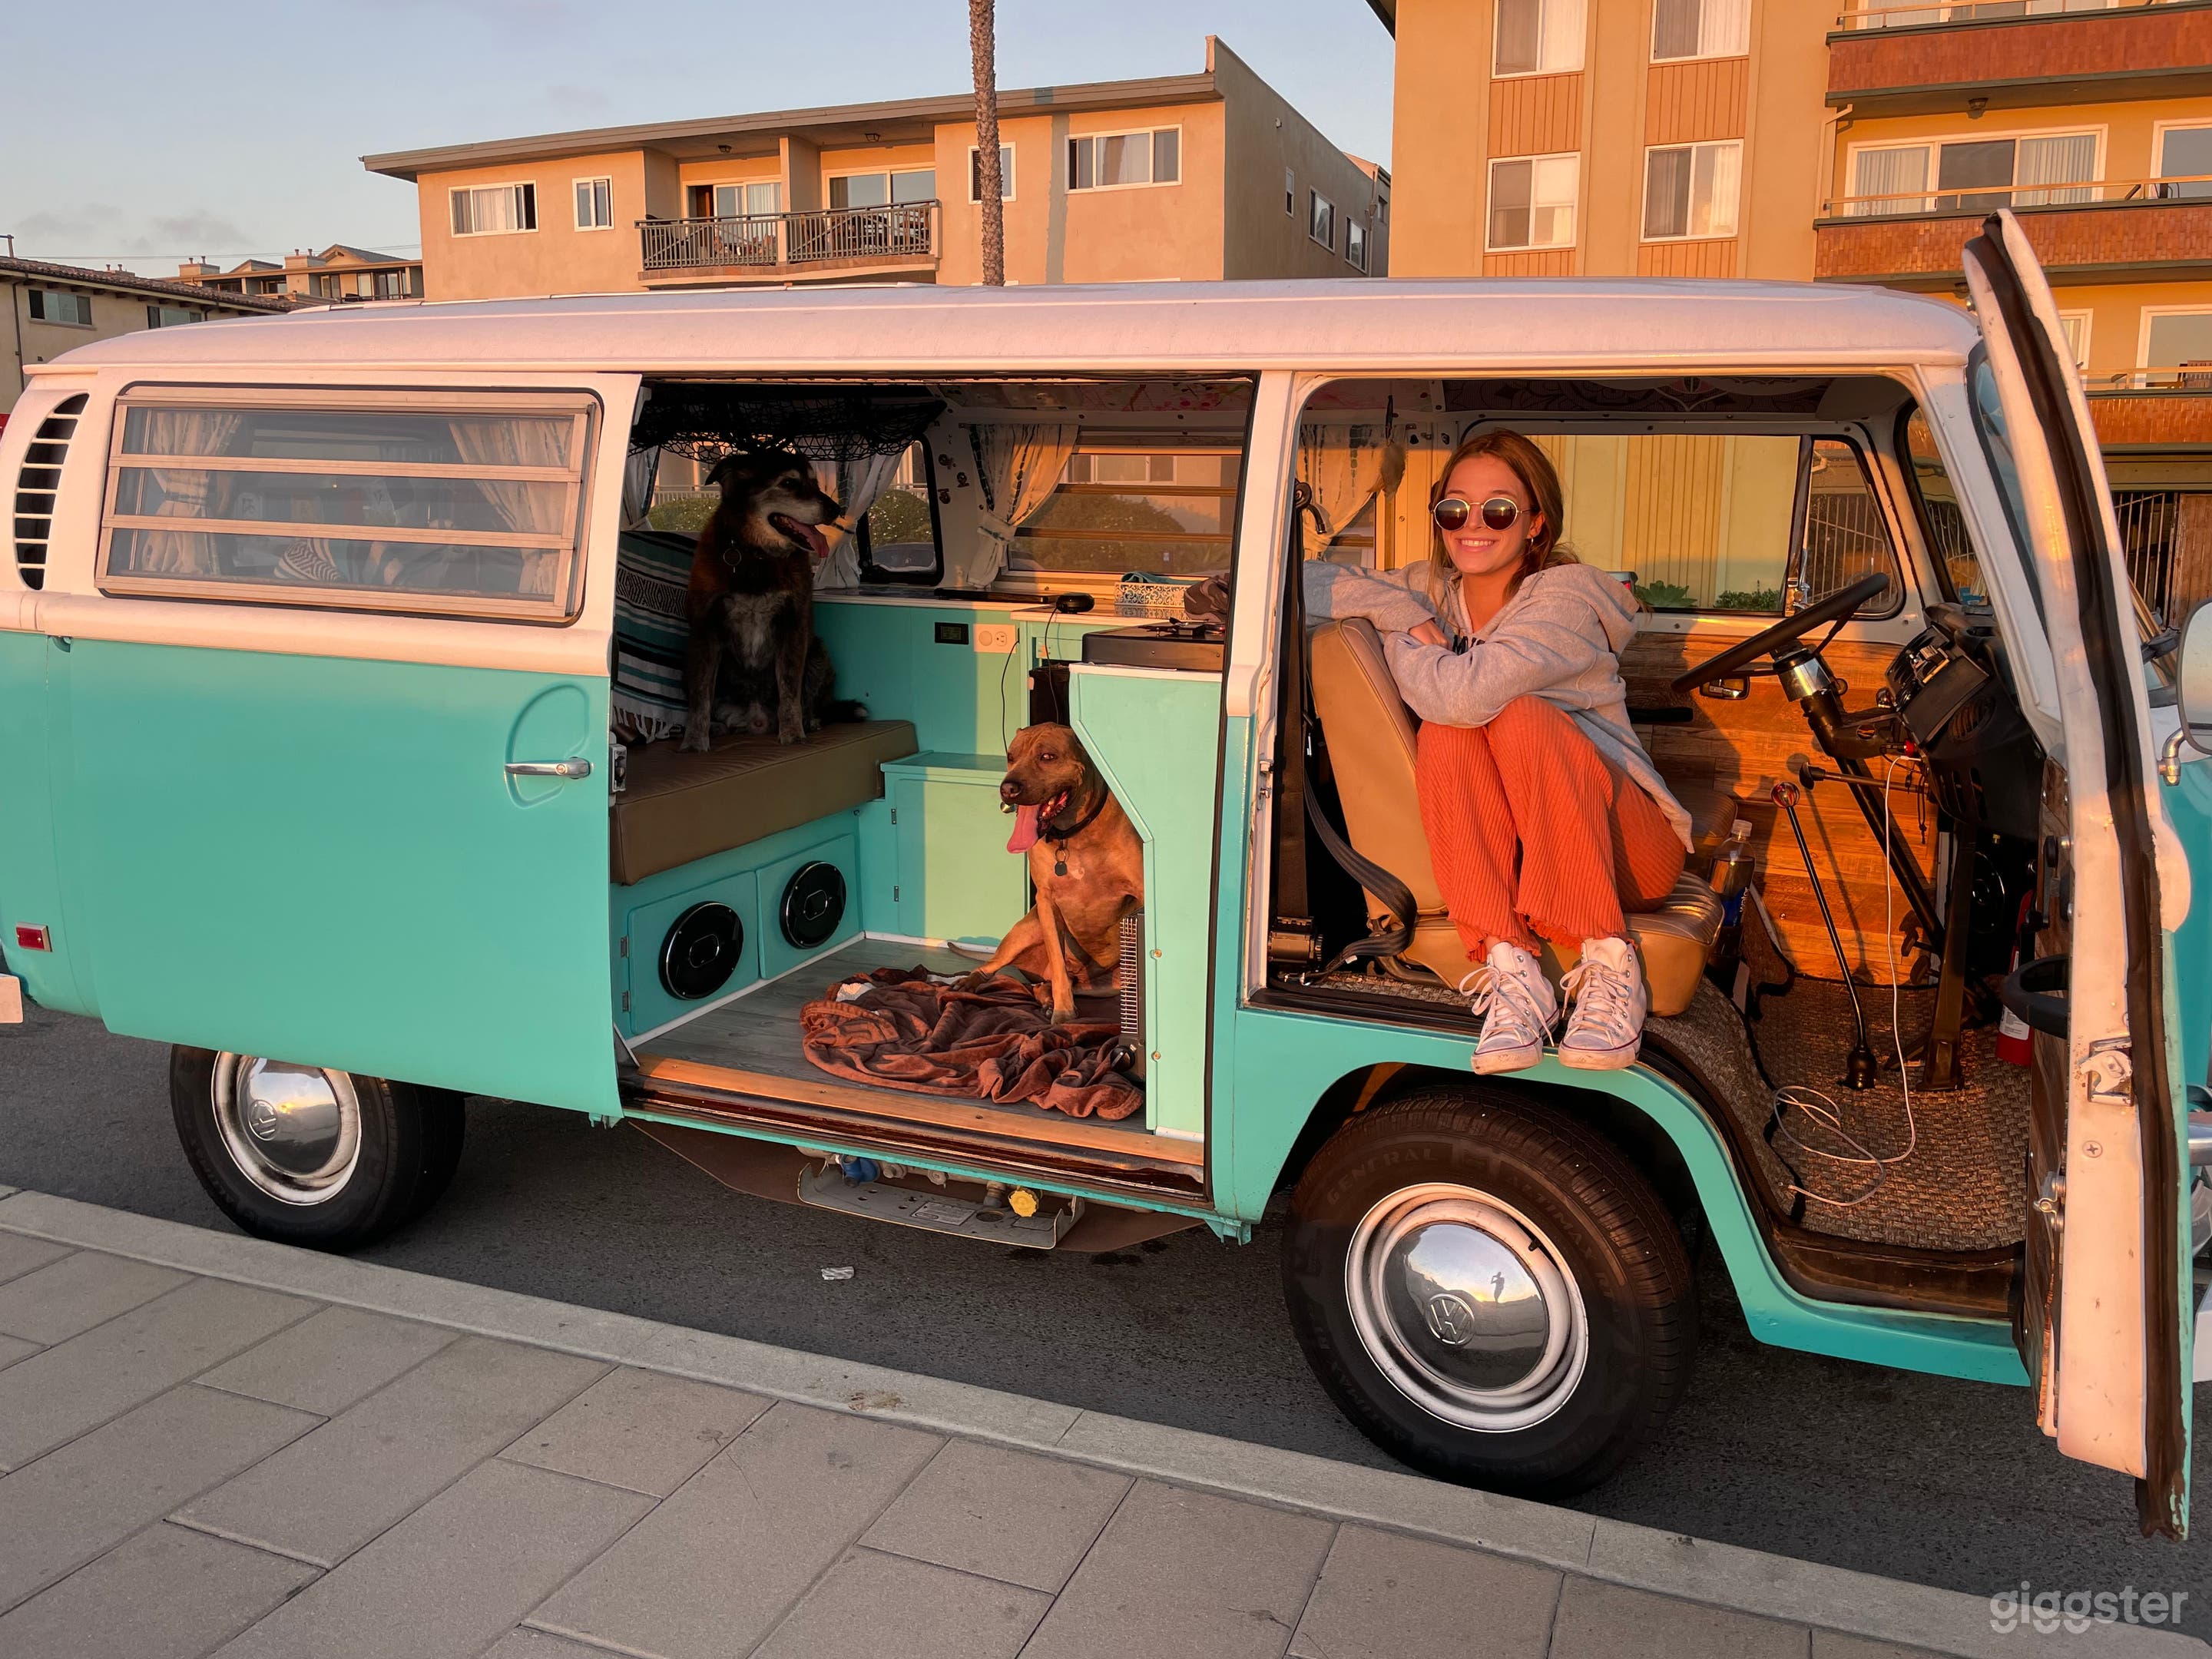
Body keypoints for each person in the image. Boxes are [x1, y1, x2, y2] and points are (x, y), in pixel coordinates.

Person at [1303, 429, 1691, 1071]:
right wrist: (1395, 606)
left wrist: (1408, 641)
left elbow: (1462, 694)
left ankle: (1609, 958)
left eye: (1499, 510)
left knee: (1520, 717)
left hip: (1629, 851)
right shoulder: (1430, 590)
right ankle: (1512, 968)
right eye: (1454, 509)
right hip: (1523, 847)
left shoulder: (1566, 599)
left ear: (1536, 523)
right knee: (1451, 737)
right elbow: (1295, 580)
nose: (1473, 526)